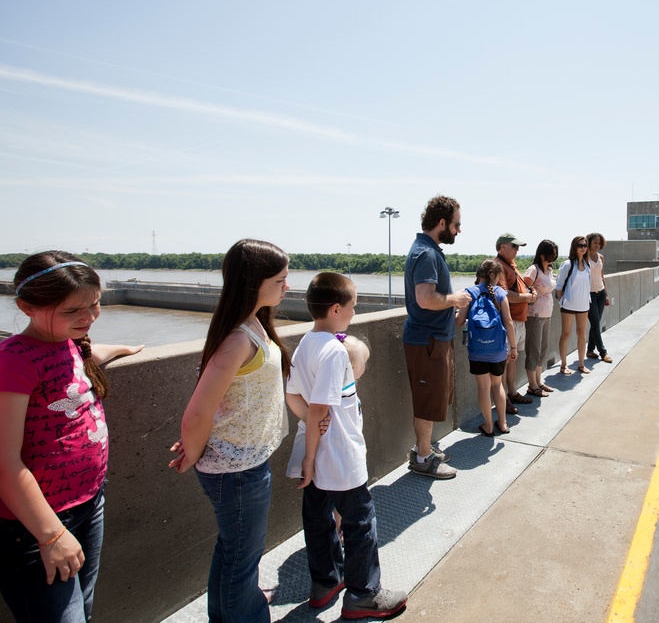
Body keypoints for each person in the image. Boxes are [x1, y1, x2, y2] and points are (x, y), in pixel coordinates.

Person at [0, 252, 142, 623]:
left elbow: (91, 355)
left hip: (88, 503)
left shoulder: (70, 342)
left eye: (95, 305)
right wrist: (50, 536)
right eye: (72, 310)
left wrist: (125, 348)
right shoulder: (13, 361)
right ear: (26, 307)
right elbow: (4, 462)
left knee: (83, 608)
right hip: (33, 526)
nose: (89, 317)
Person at [167, 239, 296, 623]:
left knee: (233, 552)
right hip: (236, 470)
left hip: (244, 463)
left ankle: (229, 613)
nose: (287, 286)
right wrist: (192, 449)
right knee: (242, 558)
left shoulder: (253, 324)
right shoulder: (239, 338)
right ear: (253, 283)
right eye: (281, 279)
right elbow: (198, 410)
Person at [285, 272, 407, 619]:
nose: (354, 313)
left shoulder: (306, 342)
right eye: (352, 307)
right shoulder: (335, 352)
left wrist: (310, 425)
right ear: (336, 308)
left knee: (318, 519)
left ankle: (326, 582)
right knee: (360, 521)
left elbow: (294, 395)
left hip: (320, 456)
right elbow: (321, 408)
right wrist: (311, 454)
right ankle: (364, 594)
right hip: (338, 456)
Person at [402, 195, 470, 479]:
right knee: (428, 401)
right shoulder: (427, 254)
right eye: (456, 224)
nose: (458, 230)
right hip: (427, 342)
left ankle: (424, 449)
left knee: (431, 398)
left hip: (432, 340)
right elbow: (426, 299)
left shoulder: (428, 249)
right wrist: (456, 298)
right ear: (442, 222)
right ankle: (423, 458)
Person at [457, 259, 517, 437]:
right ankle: (503, 424)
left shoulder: (470, 293)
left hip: (477, 350)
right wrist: (513, 347)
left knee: (483, 387)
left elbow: (460, 321)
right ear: (493, 275)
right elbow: (509, 322)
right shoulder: (500, 293)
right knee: (497, 385)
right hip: (498, 349)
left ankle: (489, 426)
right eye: (499, 276)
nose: (499, 280)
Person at [493, 233, 536, 411]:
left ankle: (512, 392)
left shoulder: (511, 265)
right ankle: (504, 400)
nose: (518, 250)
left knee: (513, 359)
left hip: (518, 320)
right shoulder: (498, 266)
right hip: (507, 321)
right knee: (504, 363)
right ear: (502, 247)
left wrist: (529, 294)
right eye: (515, 246)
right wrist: (528, 297)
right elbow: (504, 295)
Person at [523, 239, 558, 397]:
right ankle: (532, 385)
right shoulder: (533, 269)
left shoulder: (549, 270)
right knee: (533, 350)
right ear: (542, 254)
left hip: (547, 314)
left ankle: (539, 381)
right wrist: (532, 293)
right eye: (551, 254)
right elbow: (524, 287)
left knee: (542, 350)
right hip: (534, 315)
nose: (553, 257)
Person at [555, 235, 592, 375]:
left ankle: (581, 364)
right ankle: (564, 365)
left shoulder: (587, 265)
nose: (583, 248)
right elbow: (559, 287)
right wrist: (562, 302)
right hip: (568, 305)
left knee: (582, 334)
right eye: (580, 245)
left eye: (585, 245)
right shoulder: (568, 264)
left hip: (583, 305)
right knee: (566, 334)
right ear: (574, 247)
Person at [585, 232, 613, 363]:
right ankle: (603, 352)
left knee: (596, 323)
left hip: (600, 293)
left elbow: (602, 276)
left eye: (599, 243)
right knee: (595, 323)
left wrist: (606, 294)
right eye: (595, 242)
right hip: (588, 294)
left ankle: (590, 350)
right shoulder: (583, 257)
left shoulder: (601, 257)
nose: (597, 245)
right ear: (589, 242)